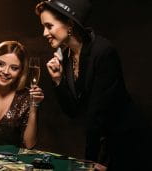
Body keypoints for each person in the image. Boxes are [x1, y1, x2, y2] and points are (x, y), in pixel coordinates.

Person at [35, 0, 151, 170]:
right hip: (104, 142)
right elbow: (72, 111)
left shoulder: (103, 51)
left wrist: (90, 162)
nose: (45, 33)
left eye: (49, 26)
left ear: (69, 24)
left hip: (126, 143)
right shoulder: (67, 55)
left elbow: (98, 112)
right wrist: (58, 80)